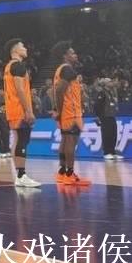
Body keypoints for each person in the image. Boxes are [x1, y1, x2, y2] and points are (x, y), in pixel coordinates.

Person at [52, 41, 91, 186]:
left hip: (66, 112)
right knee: (70, 142)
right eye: (72, 53)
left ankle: (62, 172)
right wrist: (59, 110)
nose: (75, 55)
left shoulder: (60, 70)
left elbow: (56, 91)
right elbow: (59, 91)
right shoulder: (68, 70)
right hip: (71, 113)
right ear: (65, 56)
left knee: (64, 140)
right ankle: (70, 174)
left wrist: (57, 110)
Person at [3, 39, 41, 187]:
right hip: (19, 109)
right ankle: (21, 175)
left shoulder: (9, 66)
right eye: (22, 46)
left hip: (12, 108)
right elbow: (20, 90)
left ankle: (19, 174)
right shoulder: (18, 65)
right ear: (15, 50)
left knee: (18, 140)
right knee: (22, 140)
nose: (25, 48)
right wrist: (28, 110)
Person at [95, 79, 122, 161]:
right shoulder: (102, 93)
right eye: (109, 81)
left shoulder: (111, 92)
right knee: (107, 134)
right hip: (105, 116)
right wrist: (99, 117)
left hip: (111, 116)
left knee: (113, 134)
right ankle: (107, 153)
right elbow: (98, 106)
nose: (111, 82)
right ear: (105, 83)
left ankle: (112, 152)